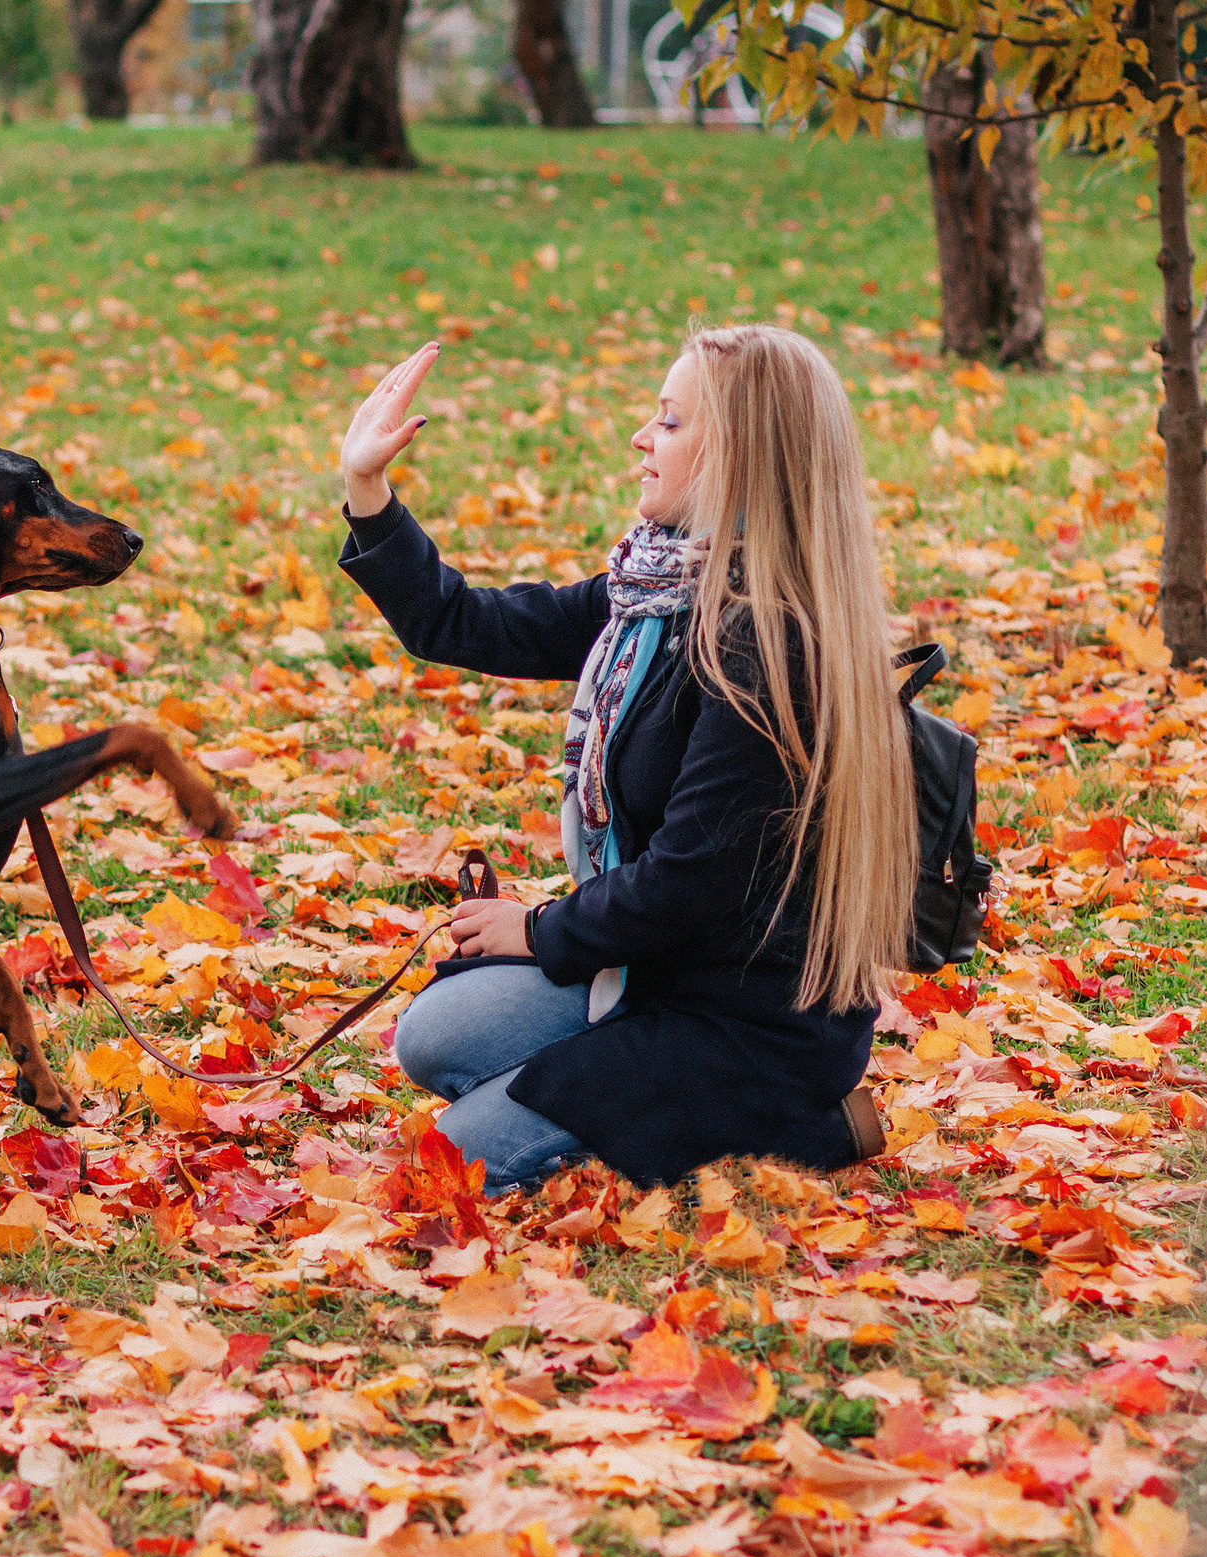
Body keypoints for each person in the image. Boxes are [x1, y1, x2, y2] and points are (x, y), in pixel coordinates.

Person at [339, 327, 916, 1194]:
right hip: (655, 972)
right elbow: (464, 622)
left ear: (742, 458)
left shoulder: (772, 643)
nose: (642, 440)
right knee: (435, 1037)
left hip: (749, 1024)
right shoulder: (657, 596)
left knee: (450, 1168)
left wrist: (536, 933)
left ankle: (793, 1123)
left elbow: (692, 882)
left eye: (672, 422)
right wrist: (366, 487)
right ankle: (607, 1099)